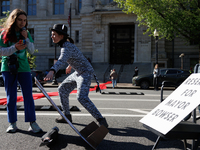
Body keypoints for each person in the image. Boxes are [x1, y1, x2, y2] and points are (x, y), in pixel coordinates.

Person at [44, 24, 108, 128]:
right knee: (62, 89)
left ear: (61, 36)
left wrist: (52, 71)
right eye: (51, 34)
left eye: (54, 34)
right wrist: (70, 66)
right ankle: (67, 116)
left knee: (81, 97)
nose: (52, 37)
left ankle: (101, 119)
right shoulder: (67, 45)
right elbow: (77, 56)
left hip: (85, 72)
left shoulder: (66, 47)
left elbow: (61, 60)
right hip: (78, 72)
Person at [0, 9, 42, 133]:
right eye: (20, 20)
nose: (22, 22)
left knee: (28, 96)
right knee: (11, 97)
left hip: (24, 68)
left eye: (24, 20)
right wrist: (14, 48)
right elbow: (1, 52)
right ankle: (12, 123)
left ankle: (32, 123)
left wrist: (26, 38)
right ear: (13, 20)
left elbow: (32, 51)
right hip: (8, 68)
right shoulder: (4, 33)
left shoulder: (26, 33)